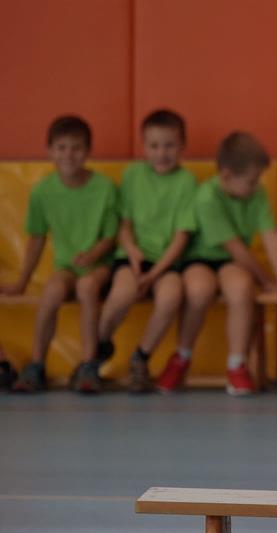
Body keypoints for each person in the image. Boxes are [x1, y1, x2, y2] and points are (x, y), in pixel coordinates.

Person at [156, 132, 277, 395]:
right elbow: (235, 246)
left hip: (231, 262)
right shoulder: (207, 197)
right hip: (201, 258)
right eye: (251, 181)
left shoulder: (256, 194)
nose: (256, 185)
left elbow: (272, 236)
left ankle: (236, 365)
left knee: (242, 289)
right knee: (199, 290)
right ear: (226, 176)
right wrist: (265, 280)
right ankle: (181, 357)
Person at [2, 115, 118, 393]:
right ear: (50, 151)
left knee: (87, 287)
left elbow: (111, 237)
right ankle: (36, 365)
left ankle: (89, 364)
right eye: (61, 148)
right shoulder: (43, 191)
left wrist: (92, 255)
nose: (69, 155)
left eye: (76, 148)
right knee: (52, 291)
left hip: (99, 265)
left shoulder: (104, 188)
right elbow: (37, 239)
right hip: (66, 267)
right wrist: (22, 281)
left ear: (88, 151)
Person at [95, 109, 195, 392]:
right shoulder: (132, 175)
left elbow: (181, 236)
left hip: (165, 262)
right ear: (144, 147)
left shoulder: (186, 182)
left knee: (171, 296)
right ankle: (99, 345)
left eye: (169, 145)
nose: (161, 153)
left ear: (182, 146)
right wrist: (133, 253)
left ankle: (141, 357)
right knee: (122, 294)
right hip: (133, 257)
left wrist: (155, 274)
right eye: (154, 146)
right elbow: (124, 225)